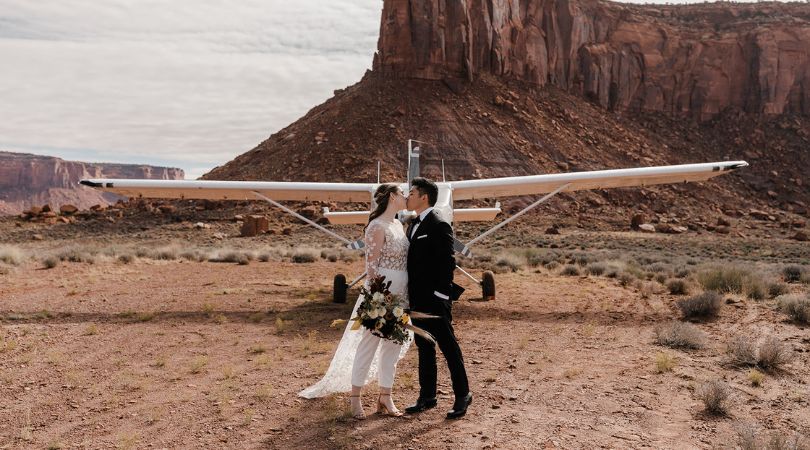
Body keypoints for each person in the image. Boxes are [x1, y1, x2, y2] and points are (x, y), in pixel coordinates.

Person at [298, 183, 410, 419]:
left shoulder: (399, 224)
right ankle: (355, 398)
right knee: (369, 343)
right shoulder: (376, 226)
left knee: (393, 344)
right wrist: (380, 297)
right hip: (383, 291)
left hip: (402, 291)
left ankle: (385, 397)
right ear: (392, 197)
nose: (406, 196)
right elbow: (371, 266)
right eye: (402, 193)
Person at [404, 177, 472, 419]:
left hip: (434, 300)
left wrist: (441, 295)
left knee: (449, 348)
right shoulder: (413, 225)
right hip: (416, 300)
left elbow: (447, 262)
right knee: (424, 347)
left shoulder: (438, 223)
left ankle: (463, 395)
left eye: (411, 192)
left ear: (424, 197)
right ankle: (428, 396)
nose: (407, 196)